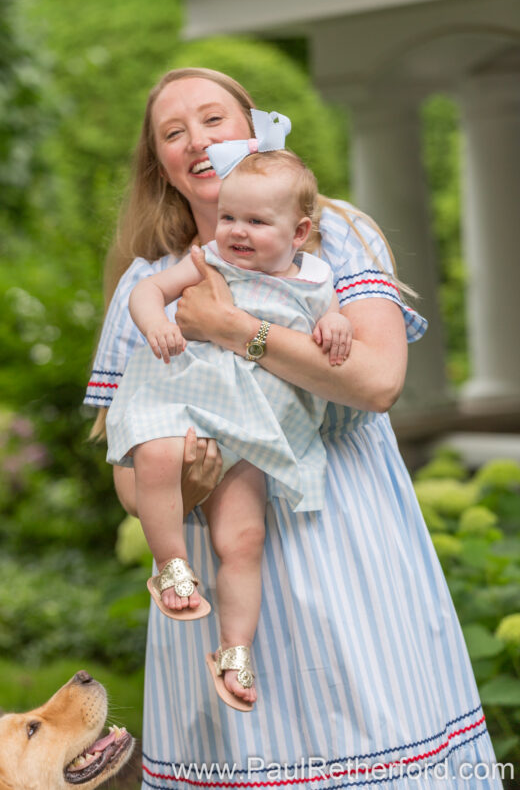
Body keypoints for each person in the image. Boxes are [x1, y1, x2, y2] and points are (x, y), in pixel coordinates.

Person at [85, 68, 501, 786]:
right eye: (173, 132)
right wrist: (186, 468)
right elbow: (131, 481)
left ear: (255, 130)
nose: (198, 140)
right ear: (161, 167)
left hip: (342, 529)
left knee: (374, 732)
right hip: (220, 554)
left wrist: (231, 328)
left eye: (214, 120)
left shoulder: (335, 235)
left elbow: (376, 381)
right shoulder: (148, 281)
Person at [105, 138, 353, 711]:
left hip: (257, 428)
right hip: (185, 396)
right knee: (161, 456)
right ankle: (171, 566)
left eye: (256, 221)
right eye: (229, 217)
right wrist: (154, 325)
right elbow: (146, 292)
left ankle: (235, 653)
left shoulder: (316, 279)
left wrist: (336, 322)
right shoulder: (207, 260)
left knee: (243, 540)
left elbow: (331, 322)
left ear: (298, 233)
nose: (237, 231)